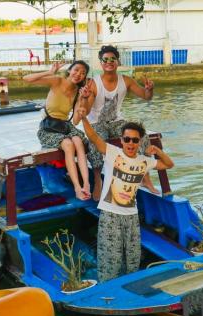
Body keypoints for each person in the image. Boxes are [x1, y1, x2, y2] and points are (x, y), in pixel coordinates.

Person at [77, 105, 174, 282]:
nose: (130, 143)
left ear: (140, 142)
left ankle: (130, 288)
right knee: (109, 258)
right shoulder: (112, 153)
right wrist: (83, 118)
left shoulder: (144, 161)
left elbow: (168, 164)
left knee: (133, 258)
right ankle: (107, 291)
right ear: (121, 140)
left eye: (135, 140)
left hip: (131, 216)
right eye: (127, 139)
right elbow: (92, 137)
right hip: (110, 215)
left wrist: (158, 151)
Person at [80, 45, 158, 201]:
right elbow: (87, 111)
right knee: (96, 143)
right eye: (105, 60)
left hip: (117, 121)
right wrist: (85, 97)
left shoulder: (126, 81)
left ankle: (145, 178)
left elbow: (146, 96)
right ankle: (97, 180)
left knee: (140, 136)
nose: (109, 62)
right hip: (97, 123)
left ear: (118, 61)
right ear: (101, 63)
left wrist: (149, 89)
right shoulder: (94, 83)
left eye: (112, 59)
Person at [23, 61, 91, 200]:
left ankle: (86, 184)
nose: (78, 74)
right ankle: (77, 188)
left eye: (83, 73)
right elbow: (26, 78)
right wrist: (50, 72)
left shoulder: (78, 92)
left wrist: (83, 99)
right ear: (69, 70)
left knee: (78, 140)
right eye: (76, 70)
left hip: (65, 126)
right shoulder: (57, 81)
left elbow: (76, 120)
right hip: (49, 127)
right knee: (68, 144)